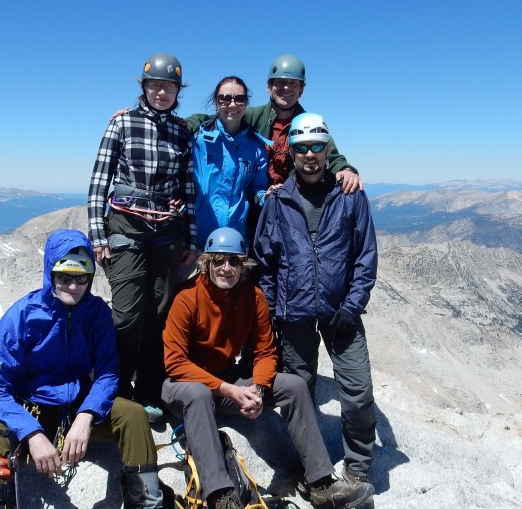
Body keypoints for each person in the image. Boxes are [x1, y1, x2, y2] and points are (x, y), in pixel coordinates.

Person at [0, 229, 199, 509]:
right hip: (31, 407)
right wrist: (32, 434)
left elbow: (108, 374)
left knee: (133, 413)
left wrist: (88, 417)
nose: (73, 285)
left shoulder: (96, 314)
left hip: (78, 406)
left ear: (92, 276)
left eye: (81, 277)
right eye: (63, 276)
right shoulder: (22, 316)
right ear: (49, 273)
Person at [161, 227, 368, 509]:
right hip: (183, 386)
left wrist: (256, 389)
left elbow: (265, 351)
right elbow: (175, 362)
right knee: (199, 393)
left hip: (229, 383)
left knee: (295, 385)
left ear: (242, 266)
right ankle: (224, 505)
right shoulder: (187, 298)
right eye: (218, 261)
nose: (226, 268)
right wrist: (231, 390)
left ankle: (321, 484)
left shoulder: (252, 297)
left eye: (233, 262)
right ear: (207, 264)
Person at [254, 113, 378, 509]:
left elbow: (365, 256)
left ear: (328, 150)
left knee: (357, 393)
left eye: (317, 146)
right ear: (291, 151)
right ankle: (311, 469)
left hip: (341, 313)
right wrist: (272, 313)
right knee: (300, 393)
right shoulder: (277, 200)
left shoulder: (350, 195)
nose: (309, 155)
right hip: (295, 318)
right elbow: (266, 263)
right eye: (302, 147)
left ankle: (358, 472)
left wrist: (352, 305)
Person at [88, 53, 198, 418]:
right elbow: (99, 181)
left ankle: (150, 391)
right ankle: (116, 390)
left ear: (177, 91)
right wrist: (98, 234)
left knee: (160, 315)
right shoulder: (122, 124)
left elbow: (188, 188)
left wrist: (192, 238)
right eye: (155, 85)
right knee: (127, 315)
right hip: (127, 228)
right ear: (144, 87)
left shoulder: (183, 132)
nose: (161, 92)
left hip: (168, 231)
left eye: (168, 87)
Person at [183, 54, 362, 194]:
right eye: (280, 83)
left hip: (294, 200)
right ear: (269, 87)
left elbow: (328, 151)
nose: (286, 88)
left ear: (302, 90)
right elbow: (216, 117)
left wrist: (345, 169)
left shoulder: (309, 123)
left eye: (293, 84)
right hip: (256, 200)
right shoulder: (254, 116)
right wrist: (183, 125)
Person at [190, 76, 270, 245]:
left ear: (246, 103)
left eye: (239, 99)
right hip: (195, 241)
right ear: (216, 102)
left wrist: (267, 196)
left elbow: (258, 188)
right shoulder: (197, 142)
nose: (232, 105)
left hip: (235, 242)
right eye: (225, 98)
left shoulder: (256, 148)